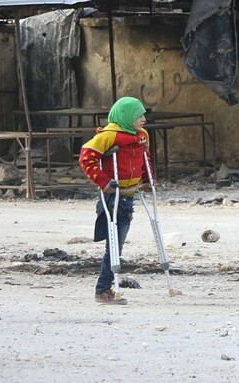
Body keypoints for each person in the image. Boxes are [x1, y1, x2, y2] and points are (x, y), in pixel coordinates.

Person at [79, 96, 153, 305]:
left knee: (117, 245)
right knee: (114, 246)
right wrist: (103, 181)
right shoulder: (108, 136)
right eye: (139, 116)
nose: (144, 120)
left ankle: (104, 288)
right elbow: (86, 157)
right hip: (113, 196)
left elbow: (145, 158)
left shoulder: (142, 136)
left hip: (128, 197)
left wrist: (148, 180)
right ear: (127, 116)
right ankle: (102, 290)